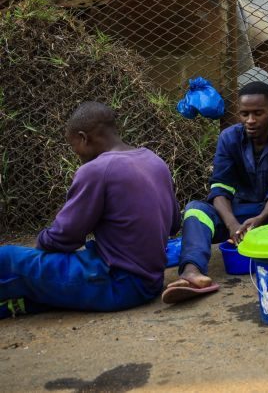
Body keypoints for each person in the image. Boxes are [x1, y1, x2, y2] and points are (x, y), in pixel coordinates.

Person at [0, 102, 179, 318]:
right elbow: (174, 224)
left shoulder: (96, 170)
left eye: (73, 145)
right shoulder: (154, 160)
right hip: (151, 280)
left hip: (119, 284)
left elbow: (63, 238)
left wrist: (41, 243)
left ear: (84, 138)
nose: (75, 152)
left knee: (7, 257)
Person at [162, 81, 268, 303]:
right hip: (241, 217)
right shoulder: (229, 138)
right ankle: (192, 272)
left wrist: (261, 218)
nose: (250, 120)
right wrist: (232, 225)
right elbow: (220, 186)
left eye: (258, 113)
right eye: (244, 114)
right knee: (195, 210)